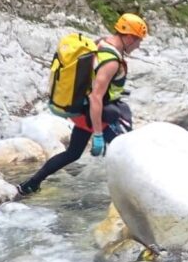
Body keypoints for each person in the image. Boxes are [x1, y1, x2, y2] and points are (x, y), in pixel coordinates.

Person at [17, 13, 147, 196]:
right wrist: (98, 135)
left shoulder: (101, 43)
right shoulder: (111, 62)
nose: (138, 45)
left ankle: (29, 185)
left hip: (81, 110)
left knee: (73, 153)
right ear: (130, 37)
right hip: (96, 115)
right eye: (138, 40)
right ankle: (138, 195)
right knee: (129, 153)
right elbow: (96, 97)